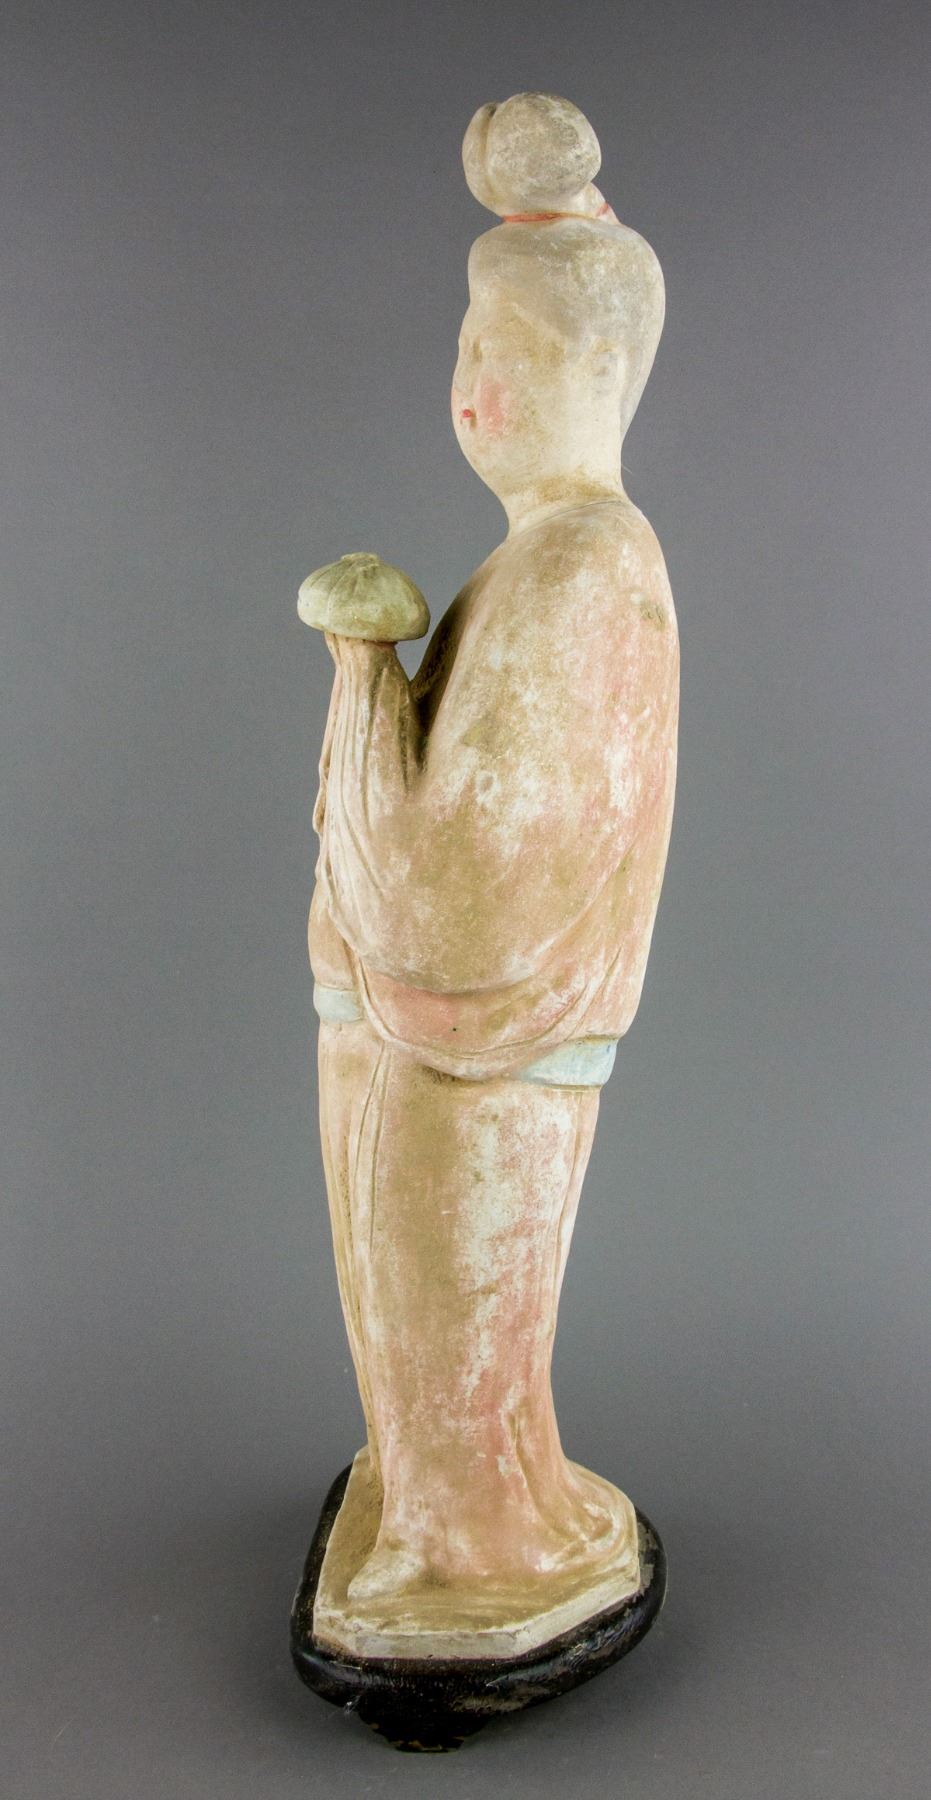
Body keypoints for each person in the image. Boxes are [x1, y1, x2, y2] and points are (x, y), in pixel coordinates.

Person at [304, 93, 679, 1659]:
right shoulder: (535, 560)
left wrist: (360, 676)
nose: (469, 390)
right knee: (409, 1335)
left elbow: (471, 893)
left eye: (499, 354)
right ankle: (429, 1509)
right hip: (428, 1032)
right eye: (467, 349)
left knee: (450, 1323)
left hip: (483, 1043)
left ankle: (468, 1550)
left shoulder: (584, 568)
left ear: (588, 375)